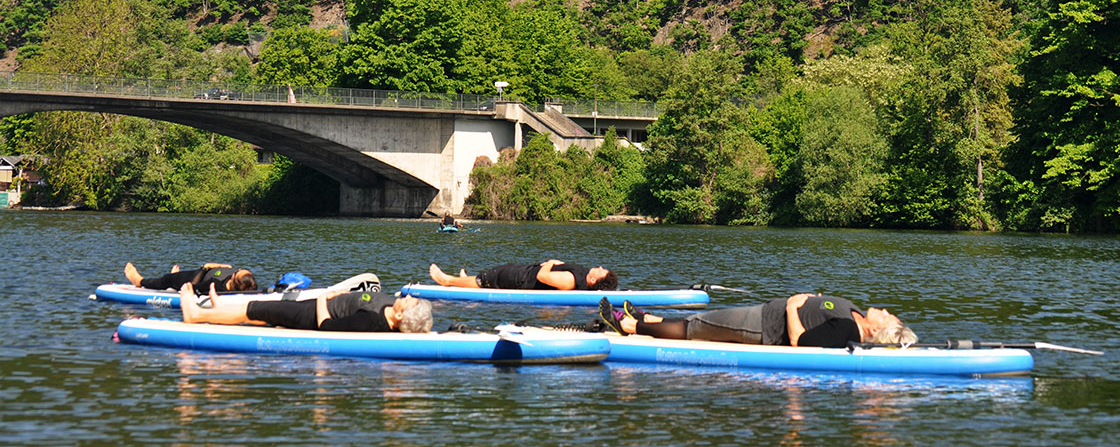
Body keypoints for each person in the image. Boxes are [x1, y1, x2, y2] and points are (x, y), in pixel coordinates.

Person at [598, 294, 917, 348]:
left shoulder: (850, 329)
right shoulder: (854, 316)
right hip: (766, 315)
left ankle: (628, 326)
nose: (885, 311)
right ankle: (649, 318)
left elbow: (801, 343)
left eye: (888, 317)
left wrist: (794, 308)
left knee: (696, 329)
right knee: (704, 321)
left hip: (765, 326)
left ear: (876, 330)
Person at [179, 282, 433, 333]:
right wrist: (343, 294)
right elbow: (365, 298)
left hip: (311, 315)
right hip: (320, 305)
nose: (409, 297)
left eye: (410, 301)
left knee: (256, 309)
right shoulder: (390, 308)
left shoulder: (370, 322)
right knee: (263, 319)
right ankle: (218, 312)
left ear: (400, 315)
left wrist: (324, 297)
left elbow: (326, 326)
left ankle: (196, 314)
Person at [429, 259, 618, 291]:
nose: (600, 266)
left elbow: (543, 277)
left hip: (523, 280)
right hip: (525, 273)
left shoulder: (570, 281)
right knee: (491, 275)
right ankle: (463, 280)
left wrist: (551, 263)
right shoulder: (582, 275)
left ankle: (447, 281)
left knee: (490, 279)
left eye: (602, 271)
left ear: (594, 280)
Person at [124, 262, 257, 295]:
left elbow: (190, 287)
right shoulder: (249, 284)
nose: (238, 270)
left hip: (197, 277)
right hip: (212, 272)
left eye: (238, 272)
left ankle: (139, 281)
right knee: (174, 277)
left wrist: (205, 267)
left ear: (234, 279)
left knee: (166, 280)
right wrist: (221, 266)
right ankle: (174, 276)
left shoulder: (214, 285)